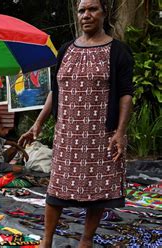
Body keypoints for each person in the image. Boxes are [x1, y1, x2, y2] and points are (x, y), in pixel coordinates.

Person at [18, 0, 134, 247]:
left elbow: (126, 94)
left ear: (104, 13)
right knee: (56, 190)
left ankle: (86, 240)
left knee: (99, 192)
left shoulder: (118, 52)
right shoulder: (66, 50)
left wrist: (120, 132)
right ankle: (46, 241)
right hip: (67, 135)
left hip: (101, 135)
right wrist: (37, 125)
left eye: (92, 9)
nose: (86, 15)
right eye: (82, 10)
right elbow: (55, 90)